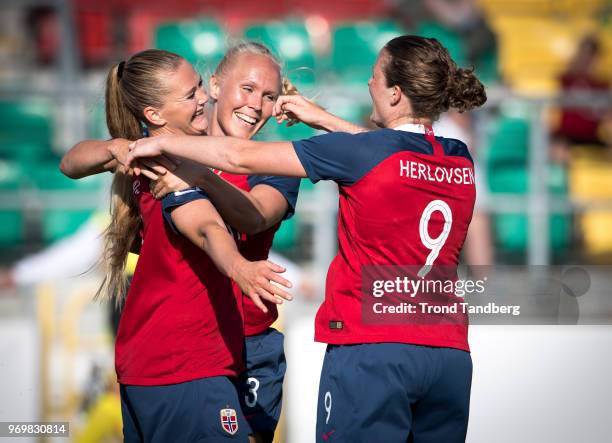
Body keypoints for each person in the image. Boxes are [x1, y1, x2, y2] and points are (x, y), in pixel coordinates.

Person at [127, 35, 487, 443]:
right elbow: (393, 153)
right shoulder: (459, 156)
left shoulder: (363, 154)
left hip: (374, 349)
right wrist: (325, 119)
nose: (368, 84)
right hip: (449, 353)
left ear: (394, 93)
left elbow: (239, 157)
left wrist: (157, 142)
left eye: (374, 77)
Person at [61, 42, 302, 443]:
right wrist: (116, 147)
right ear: (216, 84)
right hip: (189, 350)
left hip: (248, 344)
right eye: (247, 89)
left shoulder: (272, 163)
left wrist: (202, 176)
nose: (256, 105)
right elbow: (72, 162)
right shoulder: (165, 153)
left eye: (269, 96)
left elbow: (254, 216)